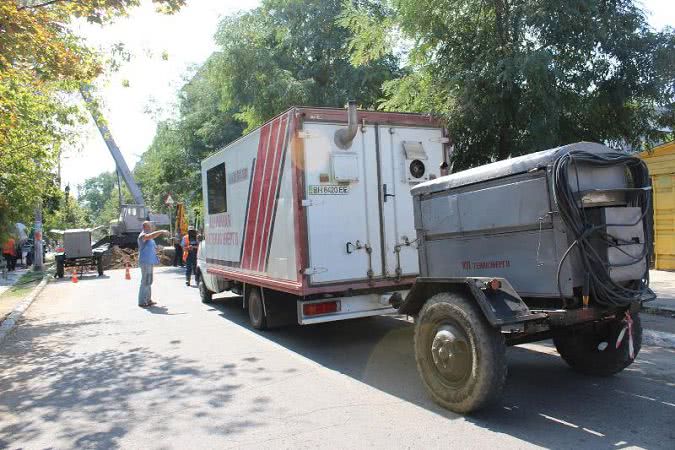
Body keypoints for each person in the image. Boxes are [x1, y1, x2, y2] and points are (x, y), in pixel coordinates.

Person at [137, 221, 170, 308]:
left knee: (149, 281)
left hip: (150, 261)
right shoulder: (142, 235)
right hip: (145, 262)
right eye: (150, 226)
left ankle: (148, 300)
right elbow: (150, 236)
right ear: (145, 227)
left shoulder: (150, 238)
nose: (151, 227)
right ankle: (141, 301)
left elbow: (153, 241)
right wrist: (162, 231)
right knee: (145, 281)